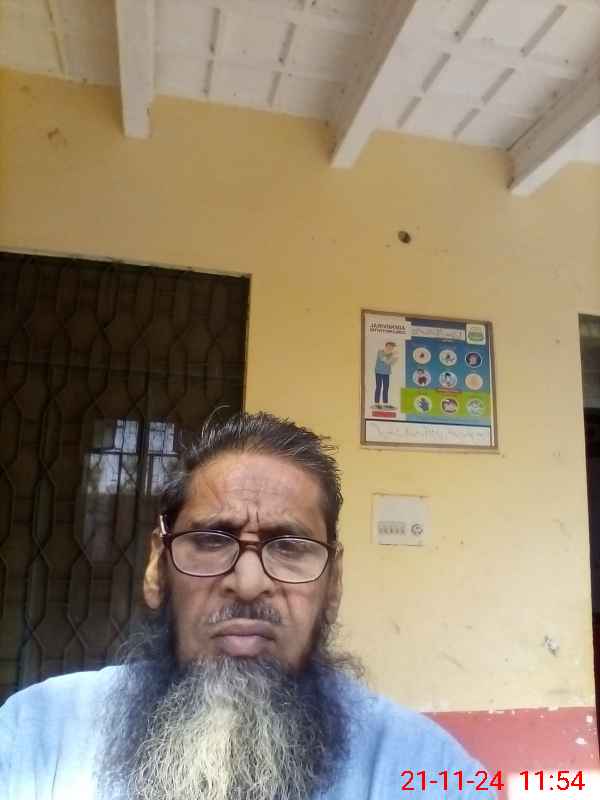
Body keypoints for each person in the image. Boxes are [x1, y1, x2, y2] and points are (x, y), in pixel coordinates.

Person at [0, 412, 493, 800]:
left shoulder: (428, 769)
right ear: (156, 567)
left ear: (334, 584)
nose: (249, 583)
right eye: (212, 540)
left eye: (289, 546)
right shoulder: (37, 736)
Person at [374, 341, 398, 408]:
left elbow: (392, 363)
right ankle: (376, 403)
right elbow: (386, 361)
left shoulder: (391, 354)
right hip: (379, 372)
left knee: (386, 388)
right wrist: (393, 357)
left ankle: (385, 403)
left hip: (386, 373)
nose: (390, 348)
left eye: (392, 347)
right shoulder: (380, 352)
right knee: (378, 387)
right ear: (386, 346)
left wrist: (394, 357)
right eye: (389, 347)